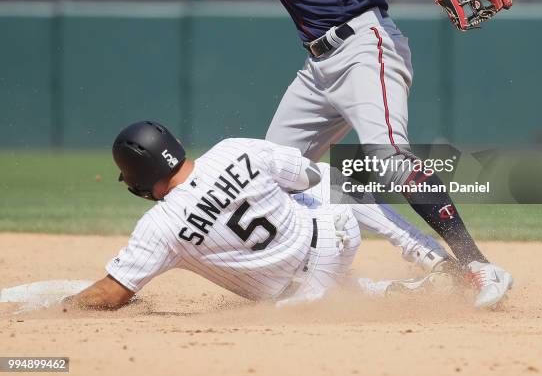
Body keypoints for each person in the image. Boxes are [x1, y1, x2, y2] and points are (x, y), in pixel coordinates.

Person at [219, 0, 513, 309]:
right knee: (266, 177)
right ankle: (336, 276)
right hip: (318, 69)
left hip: (361, 47)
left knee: (388, 162)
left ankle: (475, 266)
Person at [64, 121, 442, 311]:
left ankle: (390, 281)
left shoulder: (159, 227)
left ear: (138, 178)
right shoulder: (233, 150)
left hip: (295, 297)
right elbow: (308, 177)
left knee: (292, 275)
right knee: (325, 176)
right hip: (336, 239)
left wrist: (66, 308)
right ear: (174, 145)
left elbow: (113, 292)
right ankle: (424, 255)